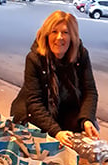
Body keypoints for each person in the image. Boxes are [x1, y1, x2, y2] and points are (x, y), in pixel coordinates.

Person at [10, 10, 99, 148]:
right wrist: (56, 132)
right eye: (54, 32)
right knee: (48, 147)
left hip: (66, 107)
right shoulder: (34, 58)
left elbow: (90, 91)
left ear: (72, 36)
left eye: (65, 32)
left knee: (89, 135)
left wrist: (87, 120)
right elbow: (34, 102)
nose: (59, 38)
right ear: (47, 35)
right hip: (34, 112)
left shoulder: (81, 55)